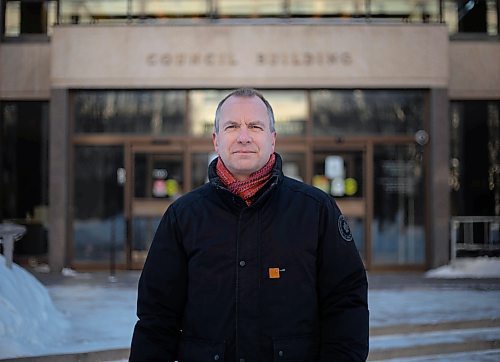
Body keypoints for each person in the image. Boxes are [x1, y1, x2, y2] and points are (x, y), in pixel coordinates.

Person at [129, 88, 369, 362]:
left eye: (255, 126)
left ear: (273, 139)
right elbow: (156, 318)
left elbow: (346, 303)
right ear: (216, 140)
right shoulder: (183, 216)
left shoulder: (315, 210)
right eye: (232, 126)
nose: (244, 137)